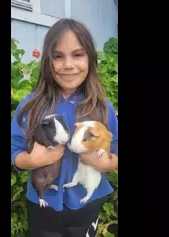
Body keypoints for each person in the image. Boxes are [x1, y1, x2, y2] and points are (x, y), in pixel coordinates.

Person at [11, 18, 118, 237]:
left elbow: (115, 148)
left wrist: (105, 162)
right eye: (58, 56)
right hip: (43, 206)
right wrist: (32, 161)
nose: (68, 64)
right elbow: (14, 149)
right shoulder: (31, 106)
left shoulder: (102, 108)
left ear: (91, 58)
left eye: (77, 54)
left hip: (88, 202)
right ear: (47, 62)